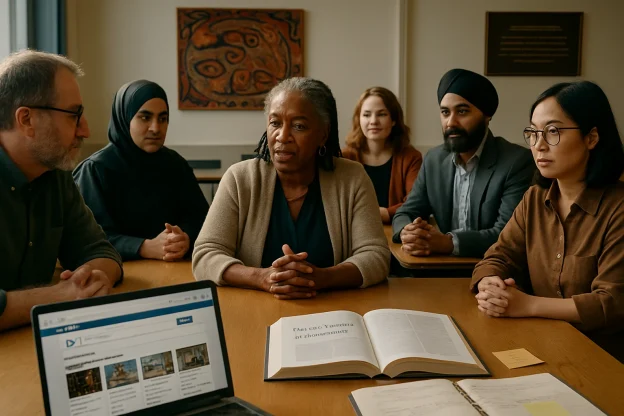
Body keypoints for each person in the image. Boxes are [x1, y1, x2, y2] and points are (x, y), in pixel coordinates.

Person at [193, 77, 390, 298]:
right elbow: (205, 256)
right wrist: (262, 278)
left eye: (298, 126)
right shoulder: (240, 179)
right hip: (252, 315)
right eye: (275, 123)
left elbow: (376, 256)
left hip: (332, 316)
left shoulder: (352, 178)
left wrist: (323, 278)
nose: (282, 136)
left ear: (323, 134)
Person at [472, 81, 624, 362]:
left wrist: (527, 305)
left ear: (591, 138)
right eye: (533, 132)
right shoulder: (534, 198)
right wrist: (490, 284)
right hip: (544, 345)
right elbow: (498, 256)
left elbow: (612, 304)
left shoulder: (618, 208)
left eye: (553, 131)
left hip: (604, 359)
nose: (539, 145)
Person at [0, 50, 122, 331]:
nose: (86, 130)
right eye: (73, 115)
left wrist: (94, 278)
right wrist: (59, 296)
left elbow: (99, 251)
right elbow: (63, 295)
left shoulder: (55, 176)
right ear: (26, 120)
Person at [392, 69, 534, 258]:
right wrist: (407, 232)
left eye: (462, 111)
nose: (451, 122)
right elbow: (406, 211)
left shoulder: (516, 162)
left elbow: (508, 234)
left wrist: (448, 243)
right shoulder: (434, 159)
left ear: (486, 115)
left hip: (497, 270)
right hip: (439, 268)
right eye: (445, 112)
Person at [73, 80, 209, 261]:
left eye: (163, 119)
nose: (155, 128)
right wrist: (143, 247)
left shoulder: (175, 164)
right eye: (145, 117)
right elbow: (85, 238)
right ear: (124, 118)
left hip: (175, 269)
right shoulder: (95, 170)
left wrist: (184, 238)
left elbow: (201, 219)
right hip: (118, 273)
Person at [342, 87, 422, 224]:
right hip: (353, 234)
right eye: (366, 115)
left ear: (394, 120)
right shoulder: (344, 157)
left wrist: (383, 214)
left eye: (382, 114)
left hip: (398, 233)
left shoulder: (411, 157)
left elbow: (416, 203)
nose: (373, 121)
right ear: (358, 119)